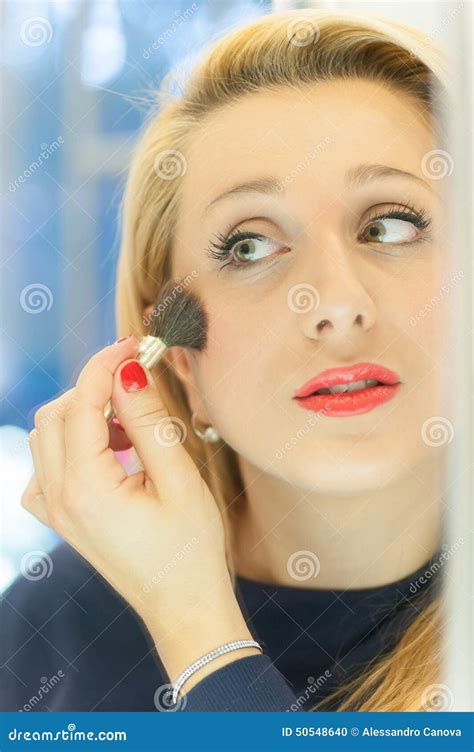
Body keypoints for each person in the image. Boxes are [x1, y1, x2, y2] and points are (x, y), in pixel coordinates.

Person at [2, 8, 452, 712]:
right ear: (179, 360)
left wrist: (200, 633)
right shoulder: (52, 630)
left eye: (390, 224)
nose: (336, 301)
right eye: (249, 246)